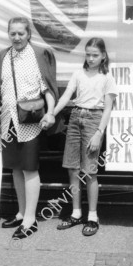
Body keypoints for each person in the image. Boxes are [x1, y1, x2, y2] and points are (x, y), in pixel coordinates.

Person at [0, 17, 58, 240]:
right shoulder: (2, 56)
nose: (16, 37)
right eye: (12, 33)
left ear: (29, 34)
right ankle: (21, 212)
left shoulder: (39, 55)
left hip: (30, 122)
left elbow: (48, 90)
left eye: (20, 33)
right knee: (15, 168)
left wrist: (51, 113)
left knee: (30, 168)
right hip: (7, 121)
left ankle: (30, 220)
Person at [51, 37, 117, 236]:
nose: (91, 58)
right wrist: (51, 113)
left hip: (93, 119)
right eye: (88, 54)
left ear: (103, 56)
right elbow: (66, 96)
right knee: (72, 168)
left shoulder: (107, 77)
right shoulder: (78, 73)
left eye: (95, 55)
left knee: (89, 170)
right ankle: (76, 212)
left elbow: (107, 109)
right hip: (75, 117)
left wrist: (99, 133)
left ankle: (93, 216)